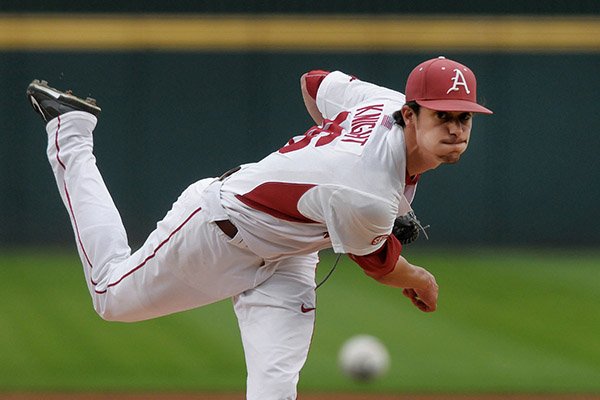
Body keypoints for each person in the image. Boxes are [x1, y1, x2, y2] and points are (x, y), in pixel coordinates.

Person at [26, 56, 492, 400]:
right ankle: (70, 132)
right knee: (110, 297)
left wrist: (322, 150)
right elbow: (380, 264)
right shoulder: (366, 189)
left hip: (290, 254)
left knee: (274, 388)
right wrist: (421, 278)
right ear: (410, 114)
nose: (454, 128)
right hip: (218, 230)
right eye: (441, 115)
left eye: (462, 116)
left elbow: (315, 82)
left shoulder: (381, 103)